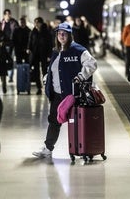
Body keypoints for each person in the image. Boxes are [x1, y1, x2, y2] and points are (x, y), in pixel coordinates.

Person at [32, 22, 97, 158]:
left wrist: (81, 76)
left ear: (69, 35)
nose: (61, 36)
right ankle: (48, 149)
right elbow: (53, 70)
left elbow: (92, 64)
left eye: (64, 33)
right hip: (57, 94)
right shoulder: (56, 51)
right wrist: (47, 78)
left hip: (73, 94)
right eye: (59, 33)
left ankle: (84, 149)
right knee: (54, 121)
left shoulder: (79, 50)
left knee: (78, 122)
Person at [27, 17, 52, 95]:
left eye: (38, 23)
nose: (36, 24)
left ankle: (46, 86)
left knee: (45, 71)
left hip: (44, 54)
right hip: (35, 54)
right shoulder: (33, 32)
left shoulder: (46, 32)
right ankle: (39, 87)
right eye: (35, 23)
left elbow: (49, 44)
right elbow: (30, 41)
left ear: (41, 23)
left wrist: (49, 55)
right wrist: (28, 48)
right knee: (36, 71)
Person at [1, 9, 19, 82]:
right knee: (4, 60)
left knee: (11, 60)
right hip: (4, 44)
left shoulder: (14, 22)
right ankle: (5, 75)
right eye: (6, 14)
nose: (7, 15)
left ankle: (10, 77)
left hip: (12, 44)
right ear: (4, 15)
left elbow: (17, 32)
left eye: (9, 14)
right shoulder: (2, 23)